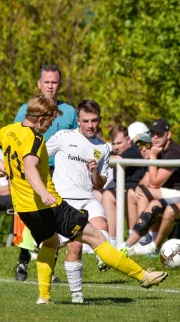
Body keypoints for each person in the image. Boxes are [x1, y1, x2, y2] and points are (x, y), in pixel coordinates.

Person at [0, 95, 168, 305]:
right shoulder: (36, 139)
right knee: (97, 238)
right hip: (50, 205)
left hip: (24, 208)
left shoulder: (9, 130)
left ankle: (44, 297)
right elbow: (30, 166)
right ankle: (143, 276)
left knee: (50, 244)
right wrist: (43, 193)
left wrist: (3, 167)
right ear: (41, 119)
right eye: (51, 119)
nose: (52, 123)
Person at [12, 64, 77, 281]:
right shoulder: (25, 109)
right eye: (46, 82)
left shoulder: (69, 112)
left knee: (54, 221)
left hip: (58, 172)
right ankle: (23, 260)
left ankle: (49, 271)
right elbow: (15, 138)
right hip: (31, 171)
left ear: (60, 84)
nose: (50, 86)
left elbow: (76, 140)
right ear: (39, 84)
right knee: (31, 216)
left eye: (54, 82)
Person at [45, 100, 111, 303]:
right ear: (78, 121)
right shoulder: (64, 137)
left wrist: (94, 171)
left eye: (94, 121)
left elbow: (100, 184)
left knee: (102, 226)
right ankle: (77, 296)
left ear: (99, 120)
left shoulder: (104, 148)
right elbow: (38, 157)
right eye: (86, 121)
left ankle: (104, 258)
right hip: (65, 199)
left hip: (88, 197)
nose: (90, 125)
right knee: (75, 247)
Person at [132, 119, 180, 244]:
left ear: (168, 135)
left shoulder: (173, 152)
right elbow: (146, 179)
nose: (155, 137)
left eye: (160, 134)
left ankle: (143, 239)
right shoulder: (159, 150)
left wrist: (152, 157)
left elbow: (154, 183)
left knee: (146, 193)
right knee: (133, 194)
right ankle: (133, 234)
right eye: (153, 134)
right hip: (170, 193)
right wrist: (140, 186)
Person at [102, 124, 147, 242]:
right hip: (122, 191)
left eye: (119, 143)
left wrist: (98, 157)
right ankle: (110, 240)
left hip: (138, 193)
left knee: (111, 195)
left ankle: (133, 239)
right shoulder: (116, 153)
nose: (116, 147)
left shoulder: (134, 151)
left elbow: (119, 160)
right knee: (98, 194)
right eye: (114, 144)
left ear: (128, 140)